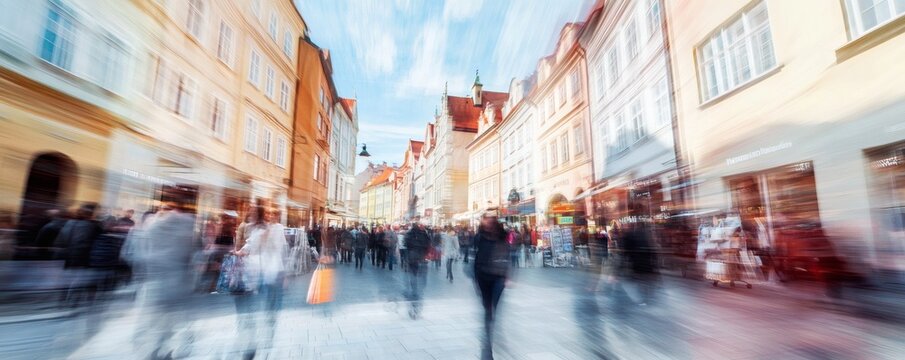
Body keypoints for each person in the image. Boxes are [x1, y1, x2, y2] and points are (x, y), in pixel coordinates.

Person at [132, 202, 199, 359]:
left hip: (155, 282)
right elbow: (192, 256)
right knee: (170, 319)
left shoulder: (151, 228)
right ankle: (163, 347)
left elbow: (139, 255)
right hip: (178, 283)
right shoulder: (186, 228)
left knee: (155, 319)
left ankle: (155, 347)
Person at [234, 206, 288, 359]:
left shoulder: (277, 229)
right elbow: (248, 246)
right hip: (257, 275)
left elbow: (282, 249)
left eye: (253, 216)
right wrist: (239, 253)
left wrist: (285, 274)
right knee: (256, 310)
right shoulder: (256, 230)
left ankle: (264, 344)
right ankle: (253, 344)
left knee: (269, 313)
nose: (250, 219)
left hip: (272, 274)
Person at [472, 211, 511, 360]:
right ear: (483, 221)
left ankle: (490, 330)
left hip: (498, 276)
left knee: (493, 306)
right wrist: (475, 277)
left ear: (494, 220)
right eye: (485, 219)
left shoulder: (502, 235)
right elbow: (475, 256)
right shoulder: (479, 237)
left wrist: (507, 273)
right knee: (487, 308)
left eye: (490, 219)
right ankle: (488, 334)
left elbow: (507, 253)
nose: (487, 221)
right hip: (483, 276)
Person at [404, 217, 431, 318]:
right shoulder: (420, 233)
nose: (423, 226)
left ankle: (415, 303)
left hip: (416, 260)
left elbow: (407, 244)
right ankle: (416, 305)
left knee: (417, 282)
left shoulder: (413, 233)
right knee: (418, 283)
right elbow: (427, 245)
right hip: (418, 260)